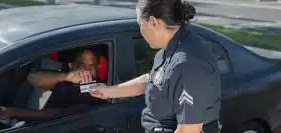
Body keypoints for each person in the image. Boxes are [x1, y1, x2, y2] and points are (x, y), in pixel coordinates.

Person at [89, 0, 222, 133]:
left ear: (153, 22)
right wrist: (108, 91)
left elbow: (188, 130)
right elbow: (155, 80)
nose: (140, 30)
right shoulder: (171, 48)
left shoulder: (188, 64)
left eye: (140, 24)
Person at [0, 48, 107, 121]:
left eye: (91, 65)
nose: (86, 69)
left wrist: (14, 112)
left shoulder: (97, 89)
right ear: (71, 65)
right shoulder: (65, 78)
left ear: (97, 69)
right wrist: (66, 77)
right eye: (81, 64)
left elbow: (64, 113)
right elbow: (32, 78)